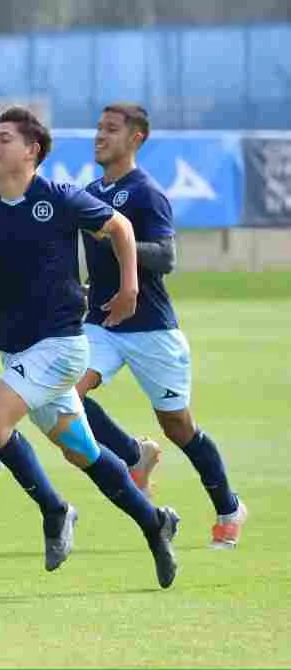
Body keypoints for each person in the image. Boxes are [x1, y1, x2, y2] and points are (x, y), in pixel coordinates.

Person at [0, 106, 180, 588]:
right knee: (82, 452)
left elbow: (121, 228)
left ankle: (55, 511)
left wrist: (130, 287)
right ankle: (154, 522)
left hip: (62, 345)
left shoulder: (61, 197)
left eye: (5, 138)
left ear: (32, 151)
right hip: (17, 350)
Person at [79, 102, 247, 548]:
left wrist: (120, 238)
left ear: (136, 138)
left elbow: (166, 257)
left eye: (111, 129)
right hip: (101, 323)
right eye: (99, 128)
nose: (101, 135)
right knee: (65, 395)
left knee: (179, 428)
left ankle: (229, 506)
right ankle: (134, 454)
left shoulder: (146, 192)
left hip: (151, 327)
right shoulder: (90, 191)